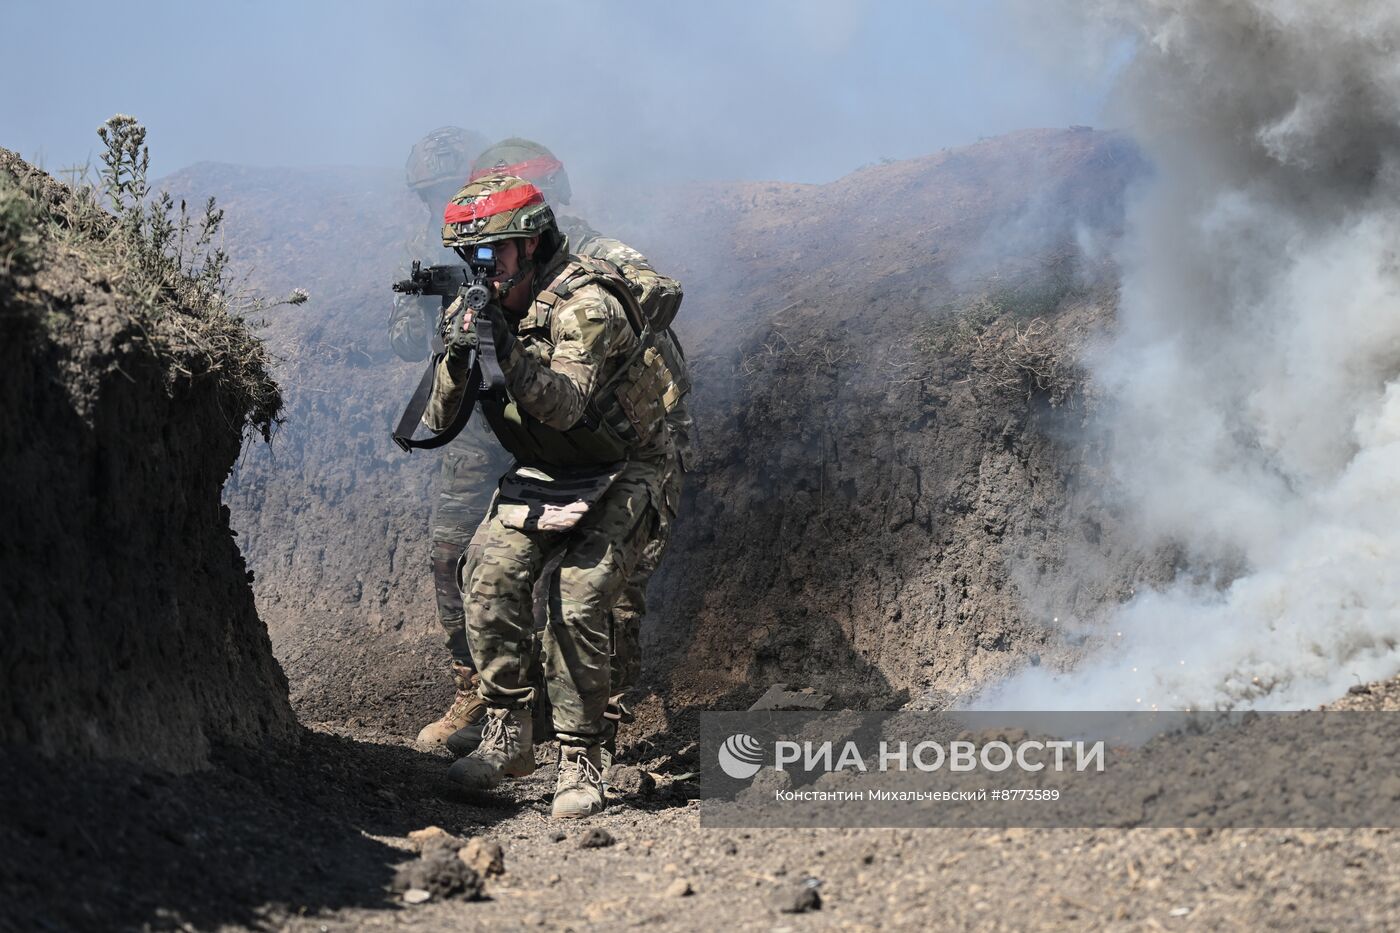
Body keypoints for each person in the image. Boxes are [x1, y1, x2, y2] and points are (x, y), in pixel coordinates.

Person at [422, 172, 682, 818]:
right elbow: (436, 416)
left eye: (493, 255)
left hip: (628, 466)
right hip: (552, 468)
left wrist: (503, 345)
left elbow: (565, 405)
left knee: (580, 593)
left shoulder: (586, 304)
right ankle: (509, 733)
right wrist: (457, 351)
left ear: (531, 246)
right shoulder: (483, 305)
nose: (481, 271)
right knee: (488, 567)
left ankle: (581, 756)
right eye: (470, 259)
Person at [385, 126, 510, 748]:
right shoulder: (429, 242)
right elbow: (407, 342)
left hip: (542, 413)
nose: (435, 206)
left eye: (444, 189)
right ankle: (472, 694)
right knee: (450, 555)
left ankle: (555, 706)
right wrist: (435, 310)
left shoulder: (527, 229)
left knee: (545, 562)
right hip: (470, 424)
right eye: (425, 195)